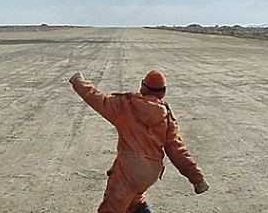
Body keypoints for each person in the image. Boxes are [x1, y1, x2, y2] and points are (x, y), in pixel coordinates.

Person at [69, 70, 209, 213]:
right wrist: (197, 179)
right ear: (163, 92)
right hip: (150, 173)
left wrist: (78, 81)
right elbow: (178, 151)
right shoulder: (167, 117)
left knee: (111, 208)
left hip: (129, 170)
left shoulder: (126, 106)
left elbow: (98, 99)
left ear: (143, 87)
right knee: (134, 202)